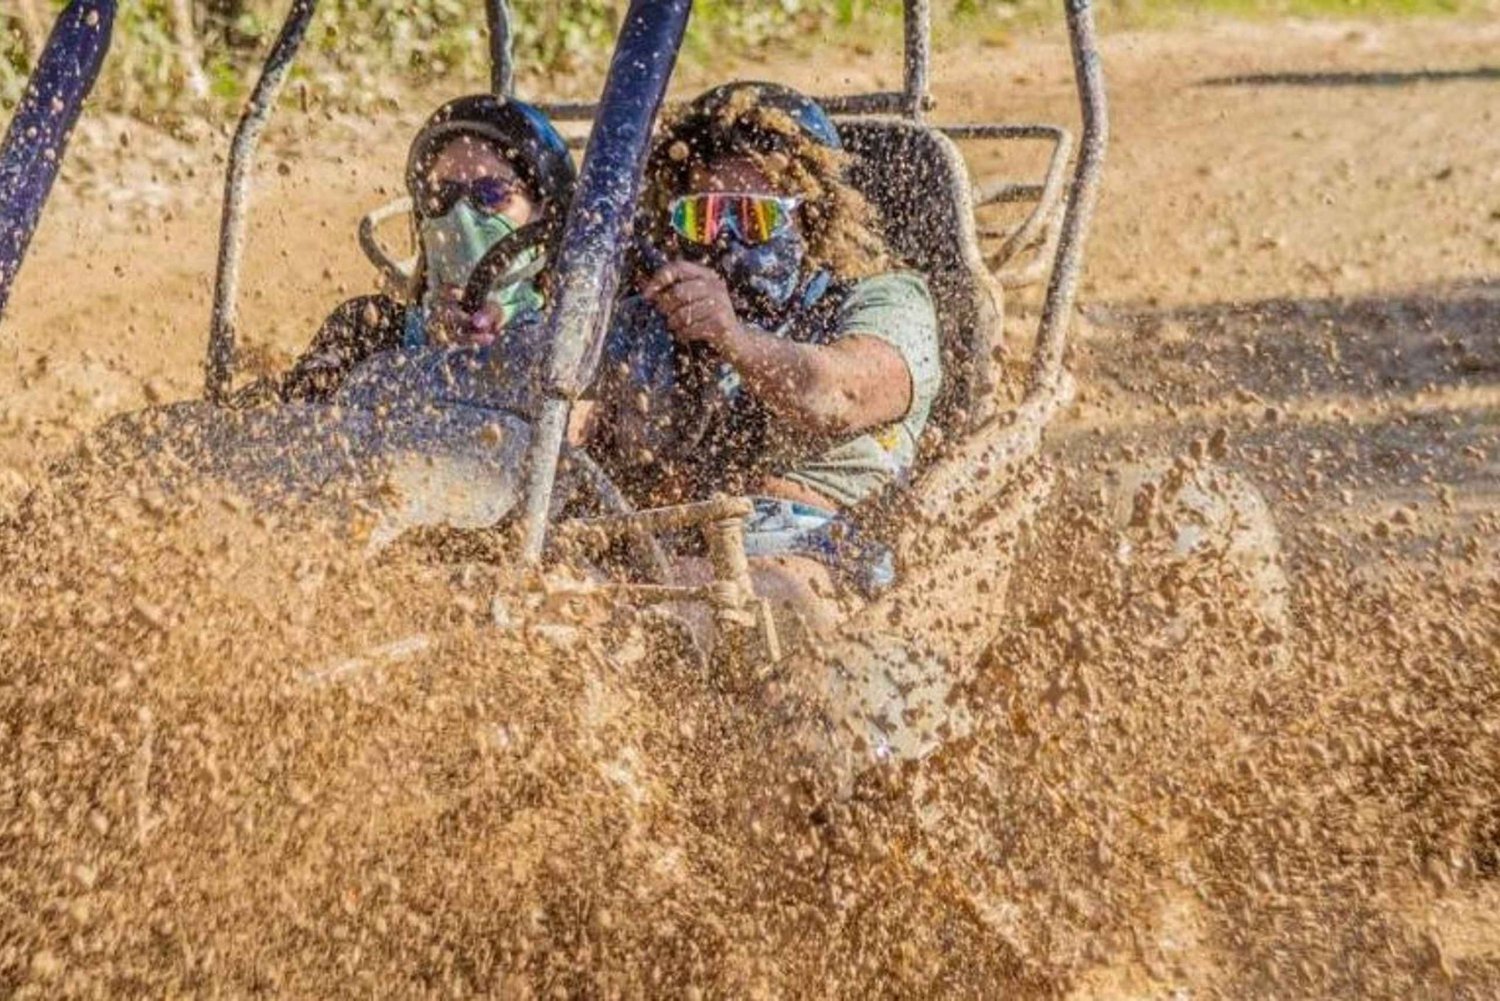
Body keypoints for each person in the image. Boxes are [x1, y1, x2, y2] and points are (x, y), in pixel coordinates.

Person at [587, 82, 943, 639]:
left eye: (752, 220)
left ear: (810, 217)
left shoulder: (884, 299)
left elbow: (839, 396)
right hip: (669, 549)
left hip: (827, 553)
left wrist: (732, 337)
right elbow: (553, 392)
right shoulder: (657, 315)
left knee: (692, 616)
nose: (725, 239)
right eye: (701, 219)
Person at [246, 94, 576, 406]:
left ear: (544, 213)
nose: (460, 216)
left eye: (490, 194)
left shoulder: (571, 345)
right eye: (440, 196)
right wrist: (430, 354)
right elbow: (293, 432)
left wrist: (507, 355)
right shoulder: (367, 328)